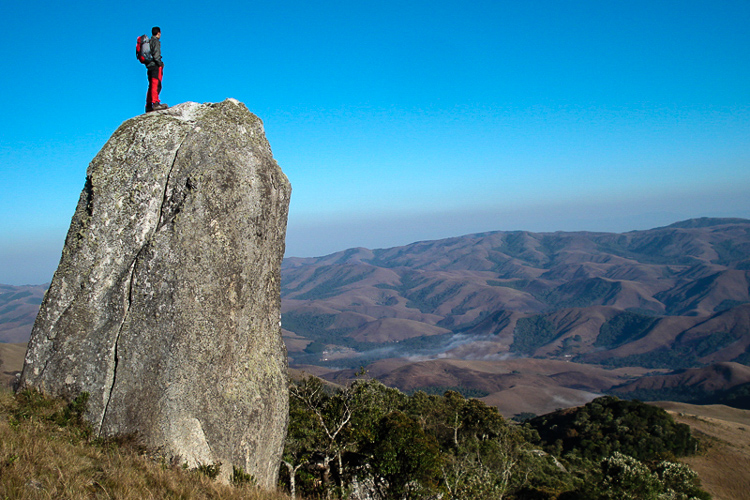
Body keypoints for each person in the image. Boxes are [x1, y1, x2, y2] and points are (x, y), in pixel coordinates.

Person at [146, 26, 168, 112]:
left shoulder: (149, 42)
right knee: (156, 84)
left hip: (149, 66)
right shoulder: (156, 42)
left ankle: (148, 105)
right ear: (159, 33)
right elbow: (156, 55)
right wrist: (160, 64)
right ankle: (155, 103)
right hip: (155, 66)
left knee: (151, 85)